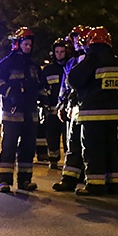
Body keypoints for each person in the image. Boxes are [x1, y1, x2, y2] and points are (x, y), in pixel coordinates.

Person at [66, 26, 118, 196]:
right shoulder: (116, 61)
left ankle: (94, 184)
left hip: (92, 114)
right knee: (111, 149)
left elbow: (73, 79)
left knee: (93, 150)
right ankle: (114, 183)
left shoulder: (92, 59)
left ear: (90, 42)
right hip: (112, 115)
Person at [0, 27, 49, 193]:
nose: (29, 47)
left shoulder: (34, 66)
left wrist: (45, 99)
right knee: (8, 147)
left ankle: (25, 180)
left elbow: (41, 87)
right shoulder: (6, 64)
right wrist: (11, 93)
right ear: (17, 44)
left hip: (31, 115)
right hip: (12, 115)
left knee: (28, 148)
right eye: (26, 44)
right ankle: (4, 181)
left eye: (30, 45)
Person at [53, 25, 88, 192]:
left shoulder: (91, 59)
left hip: (88, 110)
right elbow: (64, 87)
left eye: (77, 39)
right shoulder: (71, 63)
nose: (75, 43)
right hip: (73, 110)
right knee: (71, 145)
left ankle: (86, 176)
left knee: (87, 145)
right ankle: (69, 179)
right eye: (73, 40)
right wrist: (61, 105)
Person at [38, 38, 69, 169]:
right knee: (52, 137)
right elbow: (42, 88)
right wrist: (43, 104)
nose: (59, 54)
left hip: (68, 111)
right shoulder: (48, 70)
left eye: (62, 51)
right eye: (57, 52)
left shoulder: (71, 67)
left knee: (69, 138)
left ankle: (69, 161)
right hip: (51, 111)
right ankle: (53, 159)